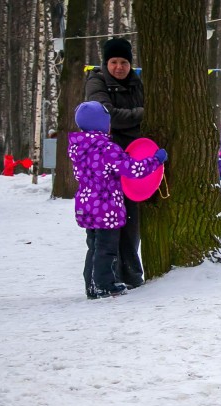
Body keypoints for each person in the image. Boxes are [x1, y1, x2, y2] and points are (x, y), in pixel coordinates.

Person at [68, 101, 166, 299]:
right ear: (102, 125)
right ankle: (105, 284)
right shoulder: (106, 149)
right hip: (106, 206)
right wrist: (156, 160)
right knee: (107, 248)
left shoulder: (77, 148)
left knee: (93, 246)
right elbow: (132, 170)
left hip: (86, 204)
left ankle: (92, 285)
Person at [85, 37, 147, 288]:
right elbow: (107, 116)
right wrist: (143, 114)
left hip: (133, 159)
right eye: (114, 62)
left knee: (131, 222)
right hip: (106, 163)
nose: (119, 67)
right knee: (104, 230)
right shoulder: (96, 81)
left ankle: (130, 275)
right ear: (105, 62)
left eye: (124, 62)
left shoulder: (137, 83)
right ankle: (101, 279)